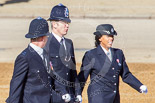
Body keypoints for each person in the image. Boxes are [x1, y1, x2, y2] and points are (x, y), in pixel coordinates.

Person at [77, 24, 148, 103]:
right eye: (108, 36)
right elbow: (82, 77)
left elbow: (126, 75)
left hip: (114, 98)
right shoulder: (91, 55)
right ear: (100, 38)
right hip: (98, 98)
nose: (111, 38)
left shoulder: (118, 53)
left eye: (112, 36)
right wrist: (77, 94)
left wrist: (139, 86)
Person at [6, 17, 53, 103]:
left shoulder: (45, 54)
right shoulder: (24, 57)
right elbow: (16, 86)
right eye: (47, 36)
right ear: (43, 37)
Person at [44, 3, 82, 103]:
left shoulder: (69, 43)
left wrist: (78, 93)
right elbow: (47, 75)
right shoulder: (46, 43)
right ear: (54, 24)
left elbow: (73, 72)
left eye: (68, 23)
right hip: (55, 96)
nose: (67, 26)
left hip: (70, 96)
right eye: (64, 22)